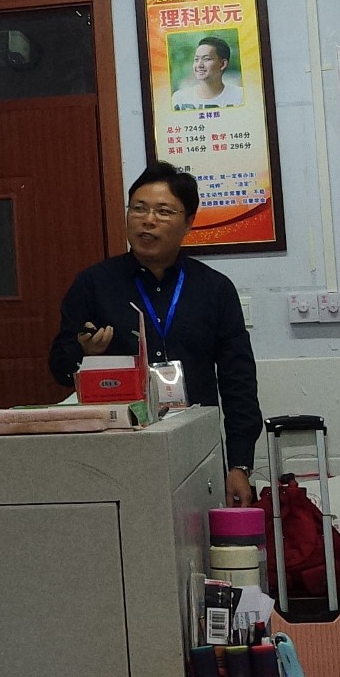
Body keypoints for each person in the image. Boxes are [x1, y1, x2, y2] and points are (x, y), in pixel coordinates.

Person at [49, 161, 261, 506]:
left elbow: (239, 382)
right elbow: (59, 369)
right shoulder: (94, 284)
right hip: (117, 450)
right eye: (139, 208)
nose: (148, 220)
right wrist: (83, 352)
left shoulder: (214, 289)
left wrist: (239, 463)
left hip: (196, 447)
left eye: (163, 211)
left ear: (188, 222)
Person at [171, 36, 245, 109]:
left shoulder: (241, 97)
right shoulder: (179, 99)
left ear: (223, 64)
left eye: (206, 59)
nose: (199, 65)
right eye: (196, 59)